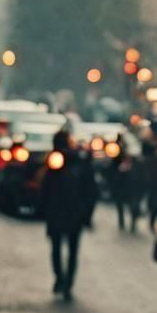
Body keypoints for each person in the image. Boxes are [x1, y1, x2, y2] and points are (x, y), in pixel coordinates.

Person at [39, 128, 97, 301]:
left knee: (65, 249)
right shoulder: (60, 162)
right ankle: (62, 279)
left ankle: (66, 281)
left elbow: (90, 189)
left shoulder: (77, 162)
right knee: (63, 249)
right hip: (63, 211)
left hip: (69, 212)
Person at [109, 133, 143, 232]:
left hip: (132, 182)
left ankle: (132, 223)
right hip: (121, 181)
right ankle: (121, 222)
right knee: (120, 202)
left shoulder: (136, 155)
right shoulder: (118, 151)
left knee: (133, 203)